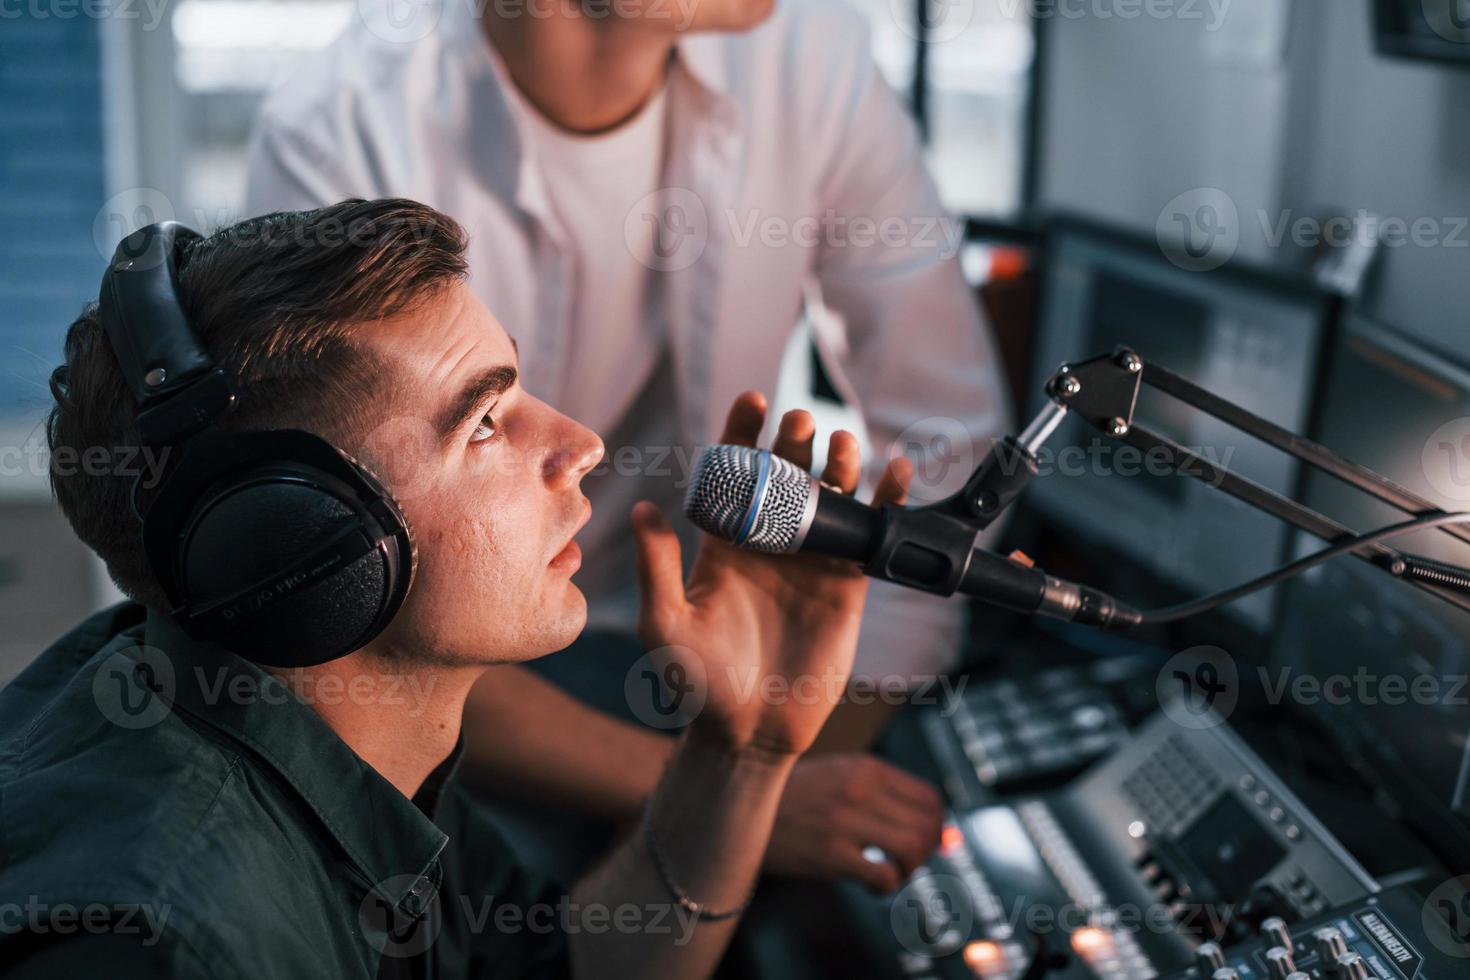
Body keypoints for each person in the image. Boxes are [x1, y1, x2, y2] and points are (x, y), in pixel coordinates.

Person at [0, 199, 916, 977]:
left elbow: (568, 968)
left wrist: (741, 753)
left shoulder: (335, 751)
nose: (581, 444)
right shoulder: (163, 942)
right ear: (297, 541)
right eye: (484, 422)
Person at [245, 0, 1007, 885]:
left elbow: (946, 440)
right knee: (467, 915)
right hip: (473, 683)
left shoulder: (812, 55)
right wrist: (729, 798)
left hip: (724, 657)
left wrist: (785, 762)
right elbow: (352, 615)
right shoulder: (340, 129)